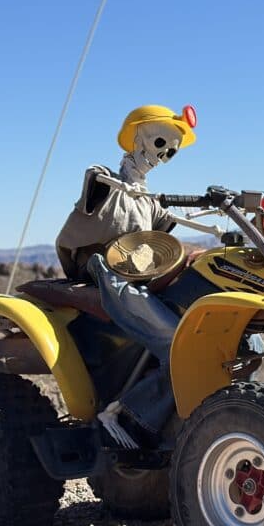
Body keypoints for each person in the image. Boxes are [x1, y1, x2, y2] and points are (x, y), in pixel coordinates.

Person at [55, 104, 199, 449]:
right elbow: (93, 185)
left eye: (172, 151)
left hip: (143, 279)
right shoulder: (107, 180)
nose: (164, 154)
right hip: (107, 275)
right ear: (136, 137)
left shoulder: (149, 200)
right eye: (161, 142)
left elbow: (170, 229)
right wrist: (111, 183)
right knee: (180, 345)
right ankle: (125, 414)